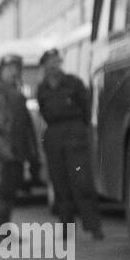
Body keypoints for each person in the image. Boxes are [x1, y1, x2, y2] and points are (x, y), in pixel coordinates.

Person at [35, 49, 104, 240]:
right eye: (49, 63)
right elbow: (43, 110)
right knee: (60, 185)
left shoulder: (73, 83)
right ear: (45, 66)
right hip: (54, 137)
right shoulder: (42, 88)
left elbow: (86, 106)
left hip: (74, 134)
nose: (53, 66)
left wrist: (81, 130)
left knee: (82, 183)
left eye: (56, 62)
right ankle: (66, 229)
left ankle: (93, 227)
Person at [0, 55, 39, 223]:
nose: (13, 72)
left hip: (15, 153)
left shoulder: (18, 95)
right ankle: (0, 234)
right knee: (0, 193)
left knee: (9, 194)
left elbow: (27, 127)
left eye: (16, 68)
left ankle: (4, 230)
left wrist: (31, 153)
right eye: (9, 68)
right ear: (1, 71)